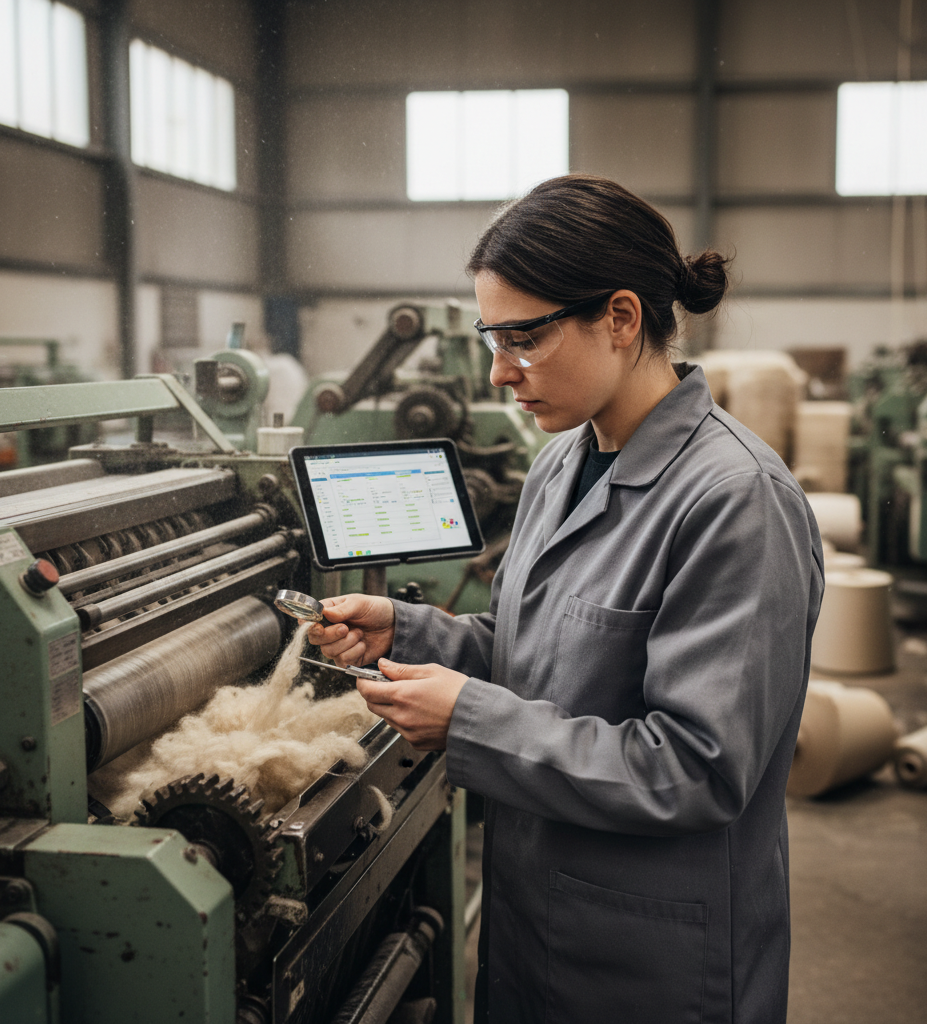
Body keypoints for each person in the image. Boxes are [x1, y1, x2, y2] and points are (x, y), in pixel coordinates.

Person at [309, 174, 824, 1024]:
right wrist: (411, 631)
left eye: (523, 338)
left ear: (620, 319)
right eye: (490, 336)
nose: (500, 371)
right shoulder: (563, 460)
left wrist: (469, 720)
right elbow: (538, 649)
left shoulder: (734, 501)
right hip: (534, 922)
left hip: (654, 962)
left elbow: (697, 769)